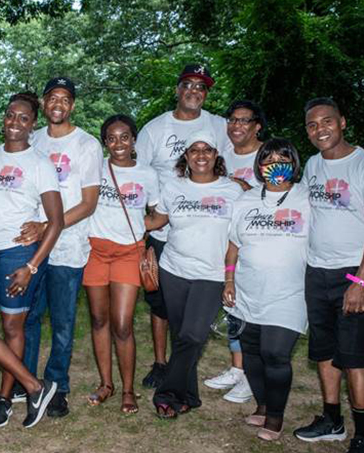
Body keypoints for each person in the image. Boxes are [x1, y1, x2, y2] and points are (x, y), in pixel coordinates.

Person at [293, 98, 364, 453]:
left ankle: (363, 434)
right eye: (312, 124)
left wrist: (361, 281)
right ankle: (331, 419)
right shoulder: (312, 165)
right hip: (316, 269)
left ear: (343, 122)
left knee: (353, 355)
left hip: (353, 272)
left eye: (327, 121)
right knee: (323, 350)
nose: (320, 129)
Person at [0, 92, 64, 429]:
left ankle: (5, 398)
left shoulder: (40, 164)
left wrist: (31, 266)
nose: (14, 122)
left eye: (23, 118)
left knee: (12, 326)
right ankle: (36, 386)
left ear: (32, 124)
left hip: (17, 253)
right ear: (3, 118)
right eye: (10, 115)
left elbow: (56, 220)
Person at [135, 64, 232, 388]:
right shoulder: (155, 128)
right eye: (188, 85)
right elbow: (138, 172)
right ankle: (162, 364)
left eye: (201, 87)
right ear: (177, 90)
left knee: (199, 307)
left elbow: (238, 159)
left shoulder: (218, 126)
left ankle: (187, 367)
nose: (194, 91)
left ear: (206, 93)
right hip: (163, 228)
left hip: (205, 228)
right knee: (161, 303)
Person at [13, 77, 103, 417]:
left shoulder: (87, 145)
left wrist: (48, 226)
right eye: (53, 97)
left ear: (73, 105)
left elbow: (89, 203)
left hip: (68, 246)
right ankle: (28, 382)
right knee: (29, 317)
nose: (58, 104)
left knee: (63, 322)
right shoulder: (32, 139)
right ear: (44, 101)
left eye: (65, 99)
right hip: (32, 246)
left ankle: (58, 386)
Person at [144, 130, 242, 419]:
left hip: (211, 275)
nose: (201, 155)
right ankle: (190, 396)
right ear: (186, 156)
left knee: (193, 335)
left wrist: (232, 275)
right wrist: (126, 225)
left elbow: (243, 229)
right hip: (173, 269)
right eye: (194, 150)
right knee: (182, 337)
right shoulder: (174, 187)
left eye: (207, 150)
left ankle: (167, 394)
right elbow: (158, 219)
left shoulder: (233, 191)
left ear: (216, 156)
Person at [222, 138, 310, 441]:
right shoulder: (245, 201)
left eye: (283, 158)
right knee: (252, 353)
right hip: (247, 292)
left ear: (294, 164)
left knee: (275, 353)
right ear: (259, 166)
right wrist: (229, 280)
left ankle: (276, 416)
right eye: (268, 158)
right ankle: (262, 404)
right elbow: (233, 243)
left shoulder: (306, 198)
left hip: (288, 293)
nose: (275, 164)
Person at [84, 115, 159, 414]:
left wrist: (140, 229)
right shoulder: (94, 168)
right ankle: (106, 384)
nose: (118, 143)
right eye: (112, 138)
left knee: (123, 323)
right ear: (105, 142)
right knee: (99, 320)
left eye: (124, 137)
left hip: (129, 252)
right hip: (94, 251)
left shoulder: (148, 174)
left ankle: (128, 389)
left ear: (134, 140)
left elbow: (160, 213)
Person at [204, 99, 268, 404]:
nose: (236, 126)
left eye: (244, 121)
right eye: (232, 120)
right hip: (226, 240)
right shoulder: (223, 155)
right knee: (233, 307)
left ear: (257, 126)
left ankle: (253, 376)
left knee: (255, 312)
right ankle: (237, 368)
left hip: (258, 244)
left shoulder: (268, 155)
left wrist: (246, 187)